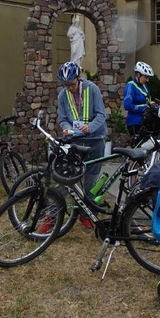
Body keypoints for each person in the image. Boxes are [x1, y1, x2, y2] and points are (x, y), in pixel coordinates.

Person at [56, 61, 107, 226]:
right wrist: (65, 128)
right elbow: (62, 118)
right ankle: (52, 214)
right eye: (65, 85)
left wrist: (90, 127)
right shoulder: (63, 95)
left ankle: (86, 214)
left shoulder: (92, 89)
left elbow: (101, 115)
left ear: (78, 78)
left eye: (71, 84)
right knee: (67, 176)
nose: (69, 88)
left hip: (95, 141)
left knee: (91, 179)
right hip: (76, 141)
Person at [123, 61, 155, 138]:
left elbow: (147, 101)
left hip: (145, 122)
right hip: (134, 122)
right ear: (138, 75)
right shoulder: (130, 86)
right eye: (146, 77)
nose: (147, 80)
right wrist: (145, 107)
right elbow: (127, 105)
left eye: (148, 77)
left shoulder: (144, 86)